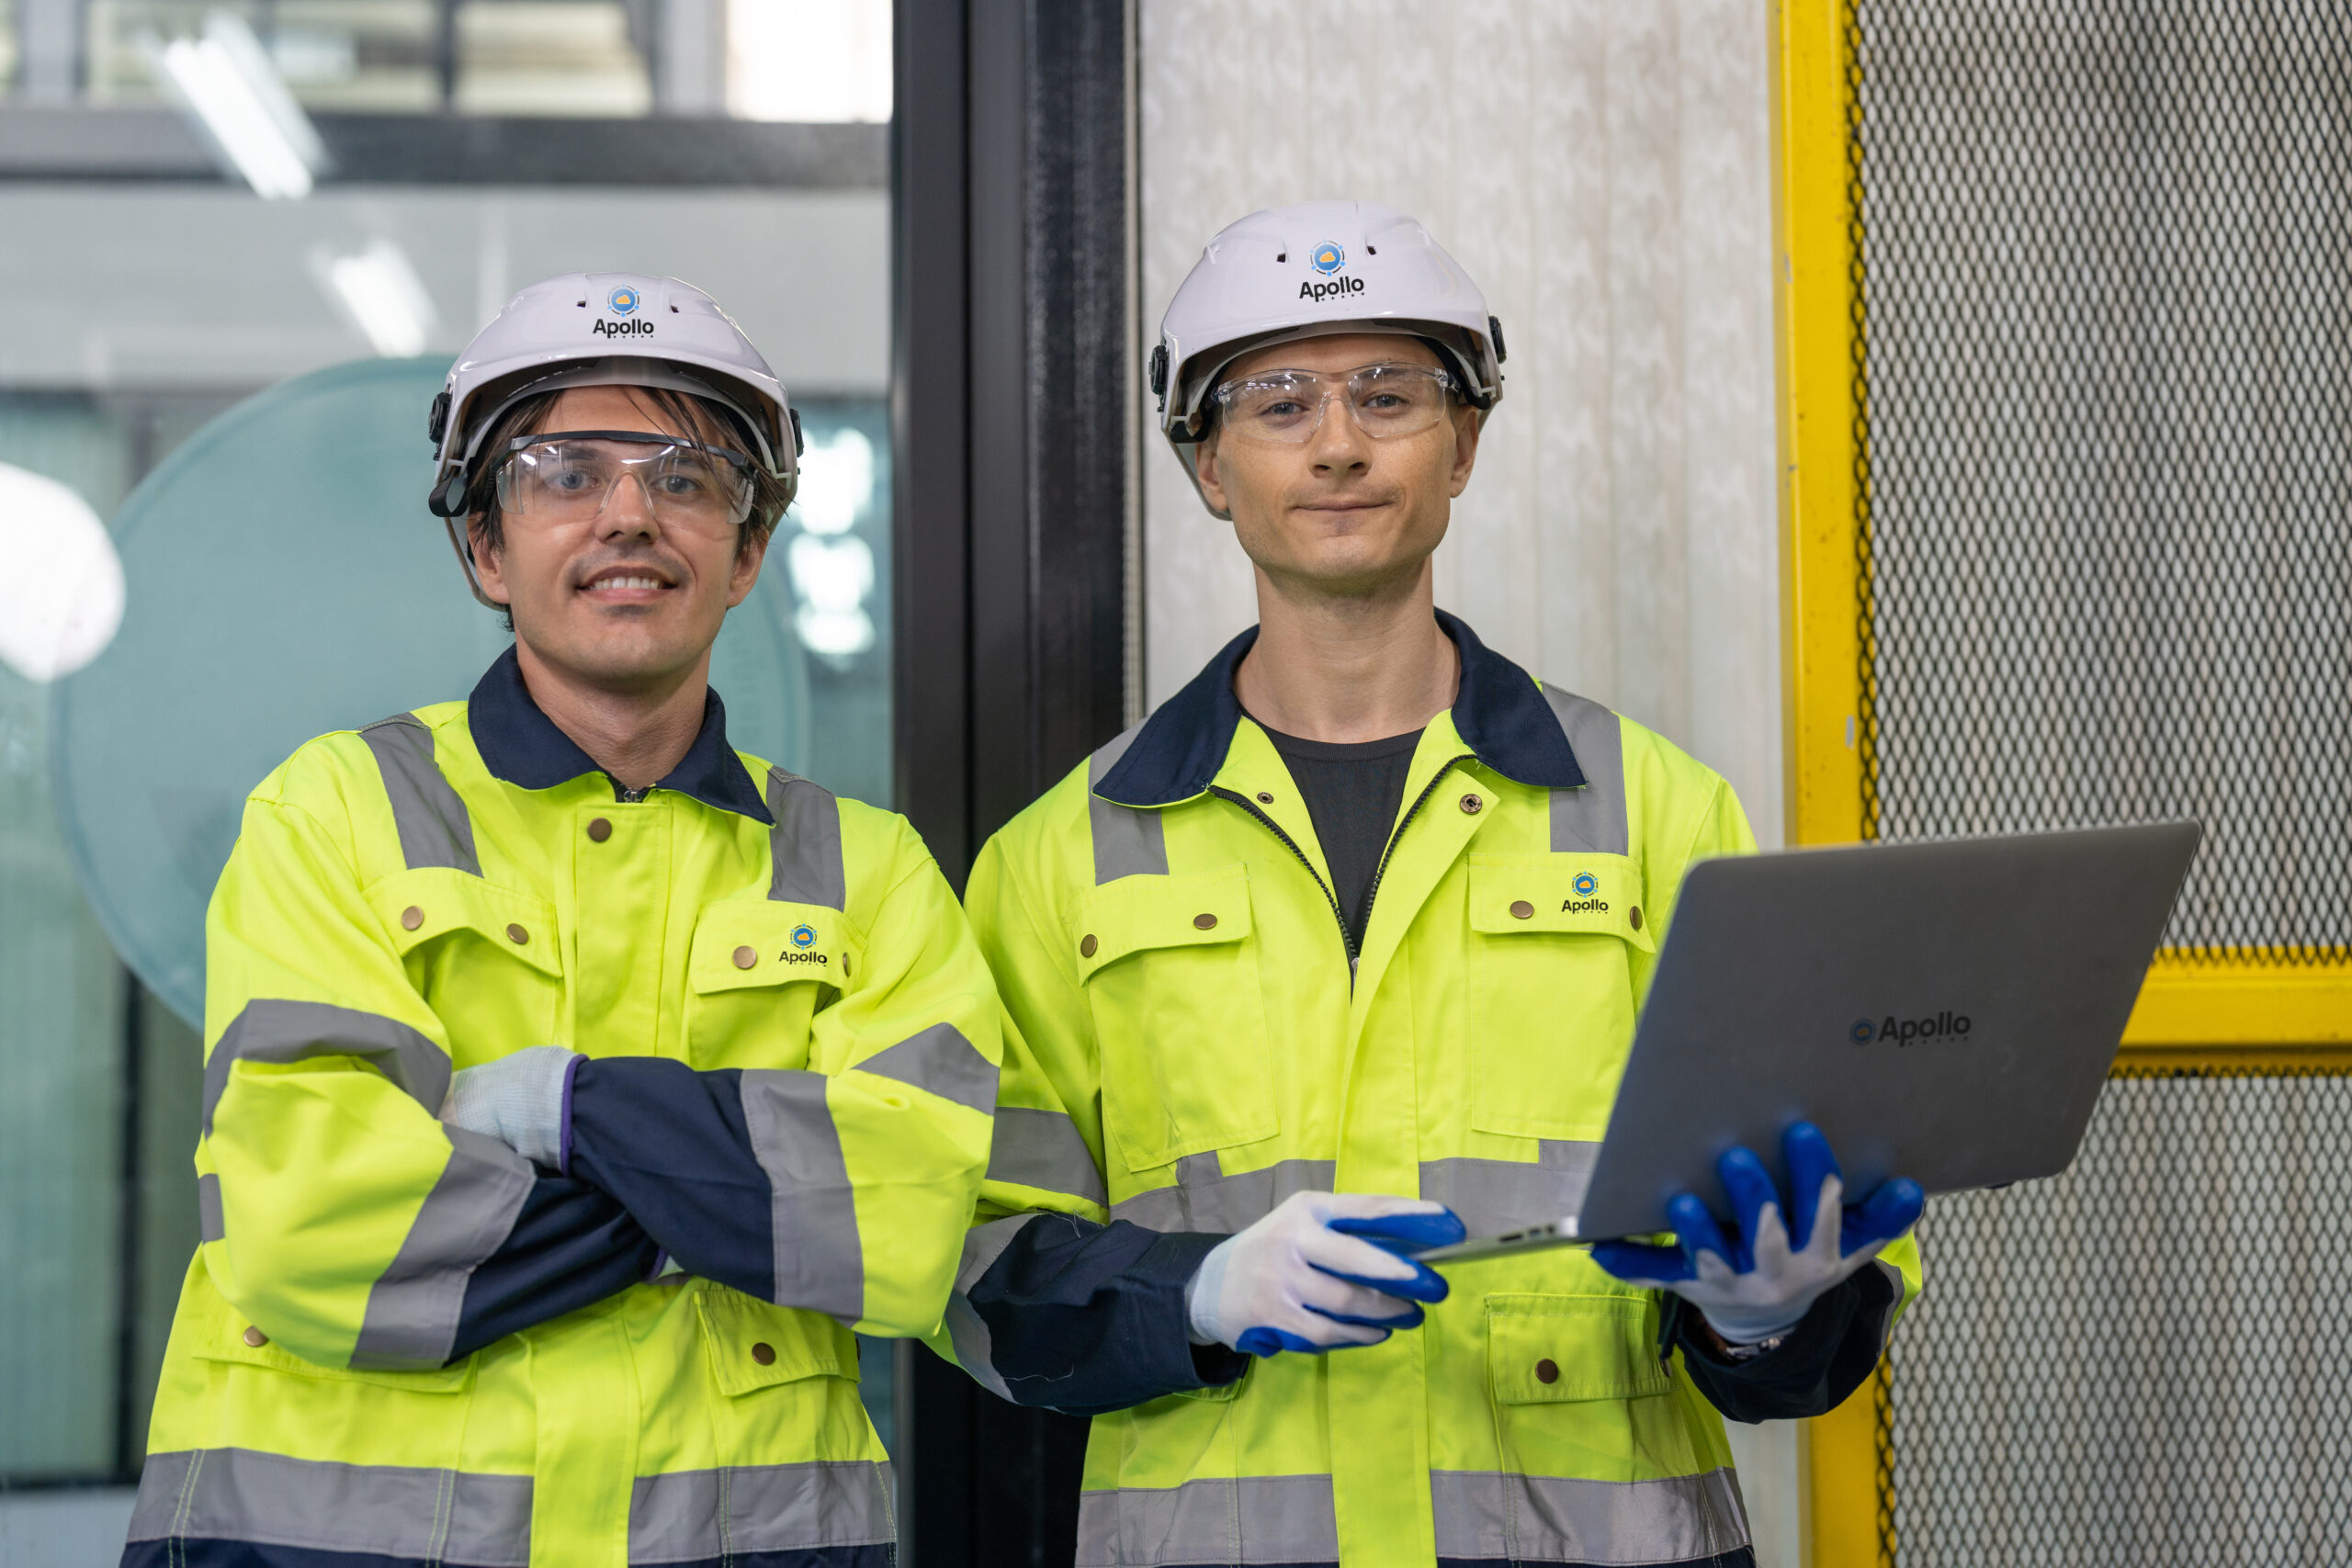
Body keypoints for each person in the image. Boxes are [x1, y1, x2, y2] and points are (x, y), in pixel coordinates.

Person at [938, 203, 1925, 1567]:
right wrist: (1203, 1292)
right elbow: (977, 1272)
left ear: (1462, 443)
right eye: (1277, 403)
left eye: (1388, 396)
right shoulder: (1060, 857)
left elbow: (1801, 1244)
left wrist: (1763, 1311)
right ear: (1208, 465)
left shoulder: (1653, 813)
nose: (1338, 443)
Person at [125, 274, 999, 1568]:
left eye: (689, 478)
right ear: (485, 545)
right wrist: (725, 1203)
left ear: (747, 552)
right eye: (562, 474)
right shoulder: (332, 814)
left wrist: (557, 1112)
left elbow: (906, 1217)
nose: (630, 516)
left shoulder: (865, 873)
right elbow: (313, 1221)